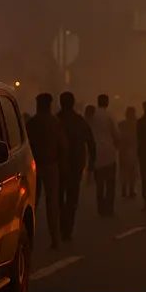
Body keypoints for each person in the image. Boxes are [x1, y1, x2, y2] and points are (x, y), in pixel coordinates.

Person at [25, 94, 68, 248]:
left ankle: (28, 239)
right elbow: (63, 145)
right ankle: (55, 238)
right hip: (51, 165)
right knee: (52, 203)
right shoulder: (55, 123)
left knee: (31, 203)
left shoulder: (32, 123)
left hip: (34, 167)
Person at [56, 91, 95, 242]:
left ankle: (61, 225)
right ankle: (67, 228)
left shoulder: (56, 120)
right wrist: (91, 164)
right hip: (75, 165)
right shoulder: (79, 121)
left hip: (59, 164)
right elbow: (91, 143)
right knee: (72, 197)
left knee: (59, 197)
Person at [88, 94, 120, 216]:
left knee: (100, 183)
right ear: (106, 103)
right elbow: (116, 134)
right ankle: (109, 208)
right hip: (109, 152)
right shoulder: (110, 115)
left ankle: (101, 208)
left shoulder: (93, 116)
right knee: (110, 183)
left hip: (97, 153)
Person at [118, 107, 140, 199]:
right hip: (134, 148)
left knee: (123, 170)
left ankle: (124, 189)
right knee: (132, 171)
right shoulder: (137, 124)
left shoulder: (121, 124)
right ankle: (131, 190)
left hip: (123, 149)